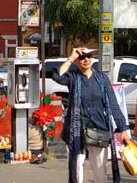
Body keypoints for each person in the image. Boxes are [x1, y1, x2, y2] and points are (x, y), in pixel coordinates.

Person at [54, 48, 132, 183]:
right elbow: (58, 77)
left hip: (98, 128)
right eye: (82, 57)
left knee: (100, 170)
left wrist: (124, 129)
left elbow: (113, 104)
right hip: (75, 130)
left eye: (89, 56)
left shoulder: (102, 78)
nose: (86, 59)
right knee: (76, 168)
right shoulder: (73, 77)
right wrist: (71, 57)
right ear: (77, 62)